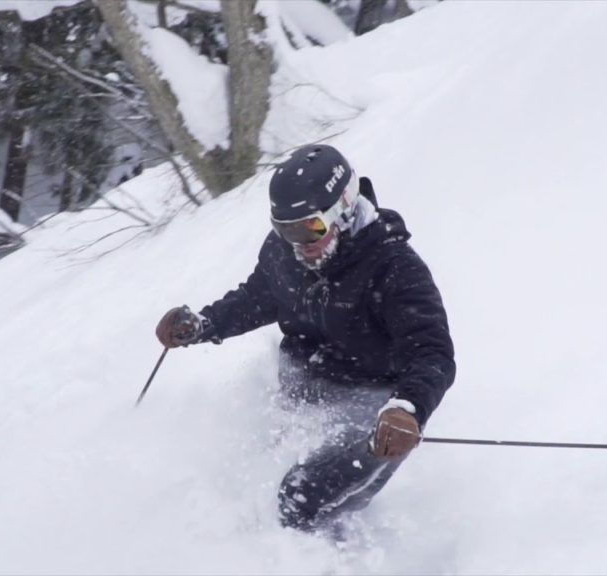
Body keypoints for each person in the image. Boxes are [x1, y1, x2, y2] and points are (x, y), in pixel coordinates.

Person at [155, 144, 455, 535]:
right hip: (303, 396)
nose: (299, 243)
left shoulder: (394, 269)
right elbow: (258, 298)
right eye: (285, 228)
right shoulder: (286, 253)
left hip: (374, 418)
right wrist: (204, 325)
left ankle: (324, 560)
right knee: (253, 482)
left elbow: (432, 352)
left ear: (343, 209)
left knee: (299, 498)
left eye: (309, 227)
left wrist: (408, 410)